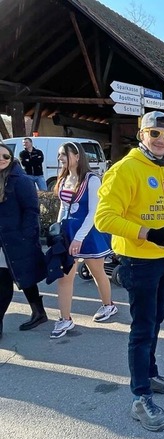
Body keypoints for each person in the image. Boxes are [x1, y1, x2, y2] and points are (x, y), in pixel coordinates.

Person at [95, 111, 164, 432]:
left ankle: (149, 374)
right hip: (139, 262)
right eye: (154, 134)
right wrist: (148, 234)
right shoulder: (125, 169)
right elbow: (105, 219)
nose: (161, 140)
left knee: (156, 322)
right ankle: (140, 397)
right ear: (141, 135)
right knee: (141, 330)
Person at [51, 142, 117, 339]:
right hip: (67, 233)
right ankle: (65, 318)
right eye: (59, 155)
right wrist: (58, 231)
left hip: (88, 233)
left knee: (97, 272)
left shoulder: (92, 179)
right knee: (64, 276)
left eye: (64, 154)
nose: (60, 158)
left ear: (77, 155)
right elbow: (63, 208)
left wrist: (79, 238)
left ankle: (109, 306)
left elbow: (93, 213)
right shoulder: (63, 179)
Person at [0, 142, 48, 338]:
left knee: (6, 280)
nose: (1, 159)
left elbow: (31, 210)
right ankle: (39, 312)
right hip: (3, 240)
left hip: (15, 239)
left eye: (5, 156)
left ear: (11, 159)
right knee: (21, 276)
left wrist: (27, 236)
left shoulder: (20, 180)